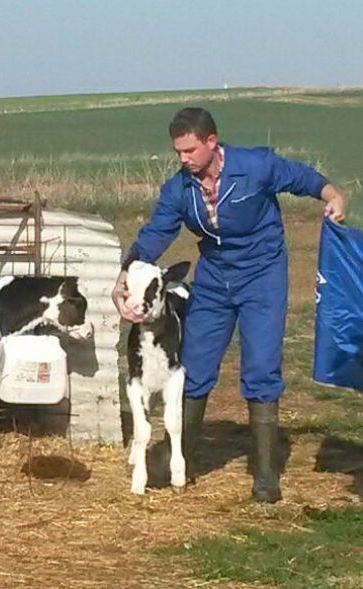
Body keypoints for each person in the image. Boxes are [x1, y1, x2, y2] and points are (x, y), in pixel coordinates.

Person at [112, 107, 345, 502]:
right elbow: (156, 232)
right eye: (177, 152)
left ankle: (266, 475)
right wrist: (125, 273)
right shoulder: (178, 189)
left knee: (260, 367)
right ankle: (179, 456)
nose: (182, 159)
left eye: (189, 150)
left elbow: (302, 177)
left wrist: (333, 195)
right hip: (214, 278)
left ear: (211, 142)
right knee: (195, 364)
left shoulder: (255, 166)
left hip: (262, 276)